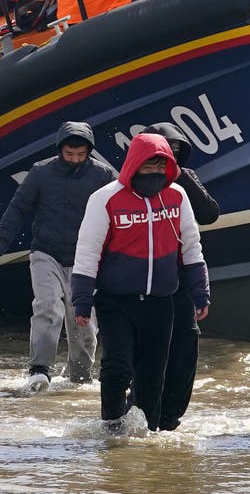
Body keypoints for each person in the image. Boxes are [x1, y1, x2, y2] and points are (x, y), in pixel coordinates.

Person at [71, 133, 209, 433]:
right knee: (117, 366)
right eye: (148, 168)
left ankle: (145, 436)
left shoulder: (177, 196)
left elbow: (191, 247)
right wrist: (81, 300)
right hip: (116, 301)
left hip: (161, 301)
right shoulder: (105, 199)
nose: (155, 175)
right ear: (134, 165)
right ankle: (111, 427)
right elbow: (87, 252)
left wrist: (201, 293)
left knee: (152, 375)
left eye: (161, 168)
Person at [0, 121, 115, 391]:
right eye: (69, 154)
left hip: (85, 257)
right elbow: (18, 208)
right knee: (48, 306)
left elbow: (117, 213)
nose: (74, 160)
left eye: (81, 155)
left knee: (83, 321)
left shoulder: (103, 174)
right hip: (46, 252)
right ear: (60, 150)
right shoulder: (40, 172)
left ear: (89, 151)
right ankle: (39, 369)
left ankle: (79, 379)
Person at [140, 122, 220, 431]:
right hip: (144, 283)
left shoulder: (185, 181)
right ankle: (143, 413)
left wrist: (182, 177)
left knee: (185, 348)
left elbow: (210, 213)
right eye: (161, 152)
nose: (167, 158)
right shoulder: (129, 186)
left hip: (183, 279)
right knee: (149, 351)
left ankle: (171, 419)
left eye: (174, 152)